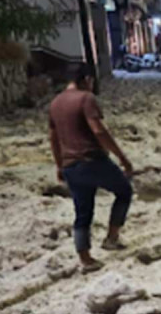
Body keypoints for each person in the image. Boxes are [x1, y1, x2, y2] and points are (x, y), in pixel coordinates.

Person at [49, 64, 134, 272]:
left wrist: (59, 165)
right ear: (87, 79)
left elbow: (53, 138)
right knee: (124, 191)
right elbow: (98, 130)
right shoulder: (86, 99)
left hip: (70, 165)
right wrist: (122, 158)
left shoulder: (55, 103)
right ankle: (112, 237)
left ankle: (85, 258)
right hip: (93, 160)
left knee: (83, 211)